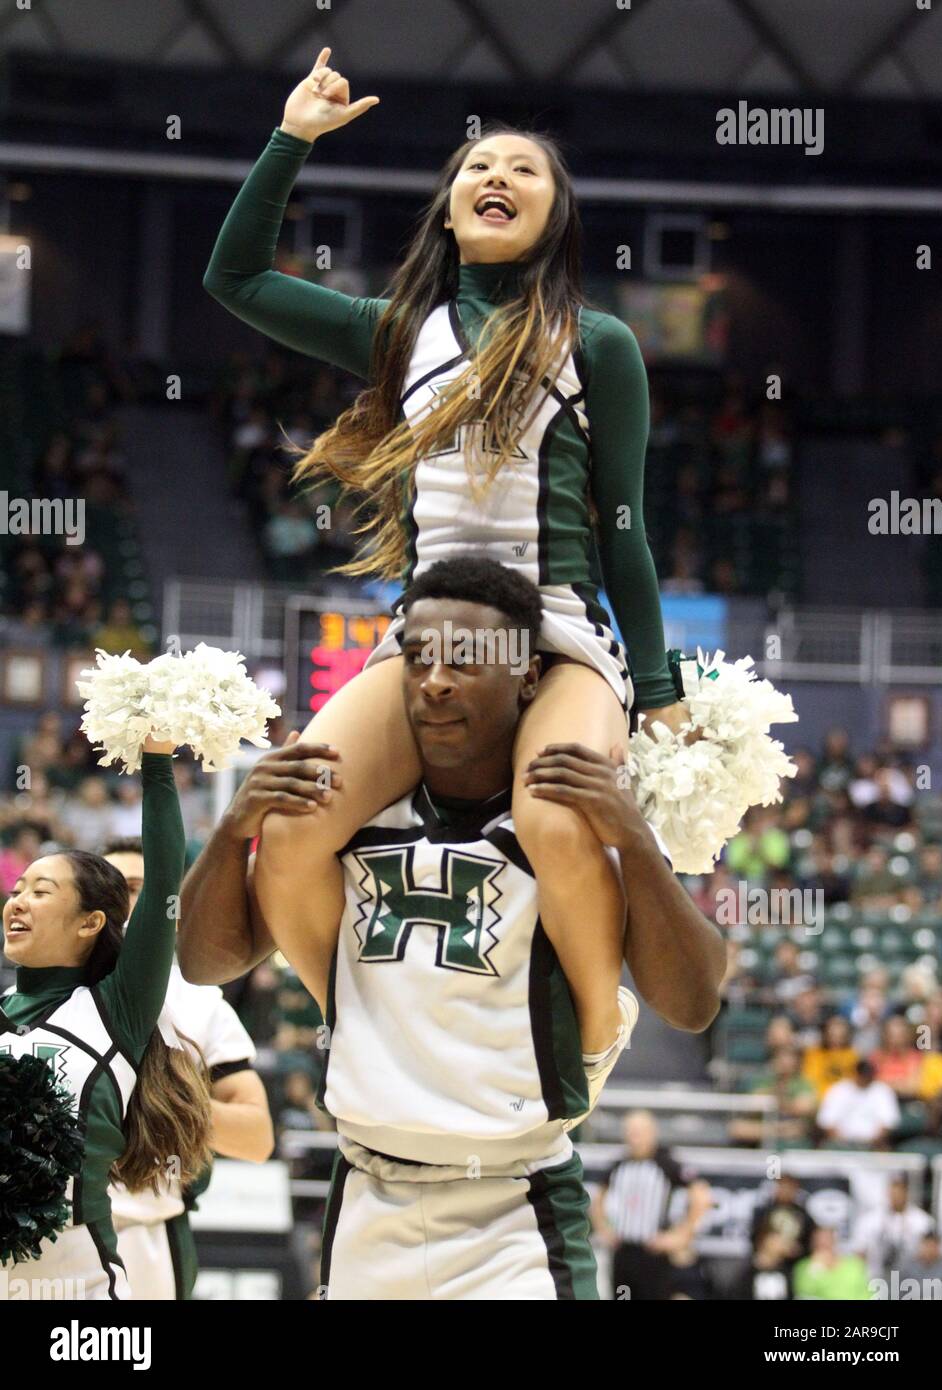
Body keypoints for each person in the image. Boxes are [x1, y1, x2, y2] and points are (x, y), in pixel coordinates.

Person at [203, 47, 691, 1071]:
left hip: (555, 629)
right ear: (448, 208)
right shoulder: (397, 333)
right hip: (425, 633)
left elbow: (623, 524)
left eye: (524, 170)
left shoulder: (594, 341)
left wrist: (660, 688)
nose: (496, 177)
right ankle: (365, 1029)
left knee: (557, 821)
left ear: (554, 215)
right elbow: (234, 277)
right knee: (290, 832)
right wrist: (291, 137)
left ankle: (589, 1030)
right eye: (477, 166)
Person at [178, 559, 725, 1300]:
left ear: (528, 677)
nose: (434, 681)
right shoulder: (342, 819)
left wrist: (632, 839)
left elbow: (692, 1003)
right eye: (418, 660)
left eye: (465, 661)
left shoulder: (573, 818)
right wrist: (231, 830)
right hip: (367, 1189)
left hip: (514, 1203)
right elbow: (207, 962)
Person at [1, 739, 210, 1301]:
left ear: (90, 922)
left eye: (40, 892)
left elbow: (166, 878)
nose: (16, 902)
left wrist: (158, 760)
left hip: (76, 1285)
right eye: (17, 889)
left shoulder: (113, 1009)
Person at [100, 837, 274, 1301]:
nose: (124, 901)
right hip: (42, 1225)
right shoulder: (43, 995)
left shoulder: (201, 1002)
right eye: (109, 888)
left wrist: (153, 1100)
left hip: (145, 1229)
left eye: (138, 887)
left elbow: (257, 1137)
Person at [591, 1110, 712, 1301]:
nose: (633, 1138)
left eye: (638, 1132)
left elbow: (701, 1194)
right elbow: (597, 1198)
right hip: (623, 1251)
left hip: (653, 1252)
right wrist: (603, 1229)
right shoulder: (619, 1164)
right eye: (629, 1132)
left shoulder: (666, 1162)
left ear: (652, 1133)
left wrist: (682, 1235)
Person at [852, 1176, 934, 1281]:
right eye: (893, 1192)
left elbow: (931, 1256)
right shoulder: (870, 1220)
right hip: (877, 1279)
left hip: (912, 1281)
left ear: (907, 1193)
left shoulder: (922, 1221)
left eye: (900, 1192)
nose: (896, 1197)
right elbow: (859, 1252)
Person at [816, 1059, 899, 1150]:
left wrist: (872, 1142)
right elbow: (827, 1121)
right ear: (855, 1073)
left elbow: (888, 1122)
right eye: (862, 1074)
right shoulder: (839, 1089)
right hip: (841, 1144)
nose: (865, 1077)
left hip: (872, 1145)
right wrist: (841, 1143)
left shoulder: (882, 1090)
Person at [750, 1173, 816, 1278]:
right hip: (766, 1263)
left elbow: (811, 1242)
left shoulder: (803, 1215)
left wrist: (795, 1250)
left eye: (789, 1187)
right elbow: (754, 1238)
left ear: (796, 1189)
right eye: (782, 1186)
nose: (785, 1191)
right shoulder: (764, 1212)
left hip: (794, 1266)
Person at [792, 1227, 872, 1300]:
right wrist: (816, 1267)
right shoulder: (804, 1267)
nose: (823, 1246)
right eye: (819, 1243)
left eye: (827, 1241)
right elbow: (803, 1292)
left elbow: (865, 1293)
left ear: (834, 1242)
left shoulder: (853, 1265)